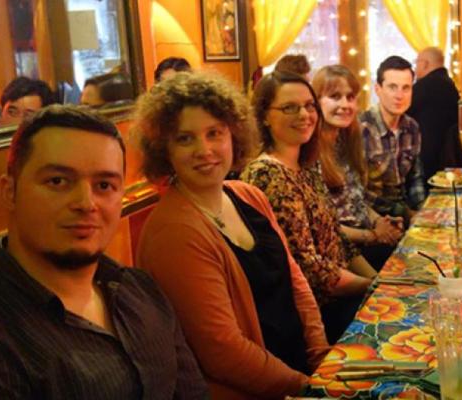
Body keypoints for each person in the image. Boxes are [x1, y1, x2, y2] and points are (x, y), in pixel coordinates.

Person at [0, 105, 207, 398]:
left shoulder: (140, 289)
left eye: (104, 185)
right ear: (10, 191)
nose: (86, 203)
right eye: (58, 181)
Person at [133, 72, 330, 398]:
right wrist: (306, 386)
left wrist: (322, 358)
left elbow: (297, 284)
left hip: (299, 375)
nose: (204, 149)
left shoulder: (248, 195)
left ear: (233, 136)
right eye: (185, 138)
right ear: (163, 150)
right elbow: (223, 352)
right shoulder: (174, 232)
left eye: (215, 133)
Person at [243, 71, 377, 343]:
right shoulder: (268, 174)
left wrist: (377, 279)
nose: (304, 115)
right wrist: (371, 286)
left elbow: (337, 239)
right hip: (312, 317)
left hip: (338, 296)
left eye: (308, 106)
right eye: (289, 108)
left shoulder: (305, 166)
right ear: (265, 117)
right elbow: (309, 268)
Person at [312, 65, 403, 268]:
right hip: (340, 255)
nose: (345, 104)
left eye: (350, 97)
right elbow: (323, 228)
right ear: (316, 102)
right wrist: (372, 235)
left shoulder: (346, 141)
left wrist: (379, 221)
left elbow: (356, 201)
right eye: (335, 96)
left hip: (364, 242)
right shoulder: (310, 153)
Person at [360, 55, 426, 222]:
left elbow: (415, 179)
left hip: (406, 215)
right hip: (371, 220)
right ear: (378, 89)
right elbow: (358, 194)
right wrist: (405, 213)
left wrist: (421, 212)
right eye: (392, 87)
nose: (399, 95)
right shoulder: (361, 130)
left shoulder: (412, 127)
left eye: (406, 88)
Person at [408, 46, 462, 180]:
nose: (415, 68)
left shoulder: (424, 87)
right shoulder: (449, 85)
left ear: (425, 64)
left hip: (426, 161)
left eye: (417, 63)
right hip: (446, 158)